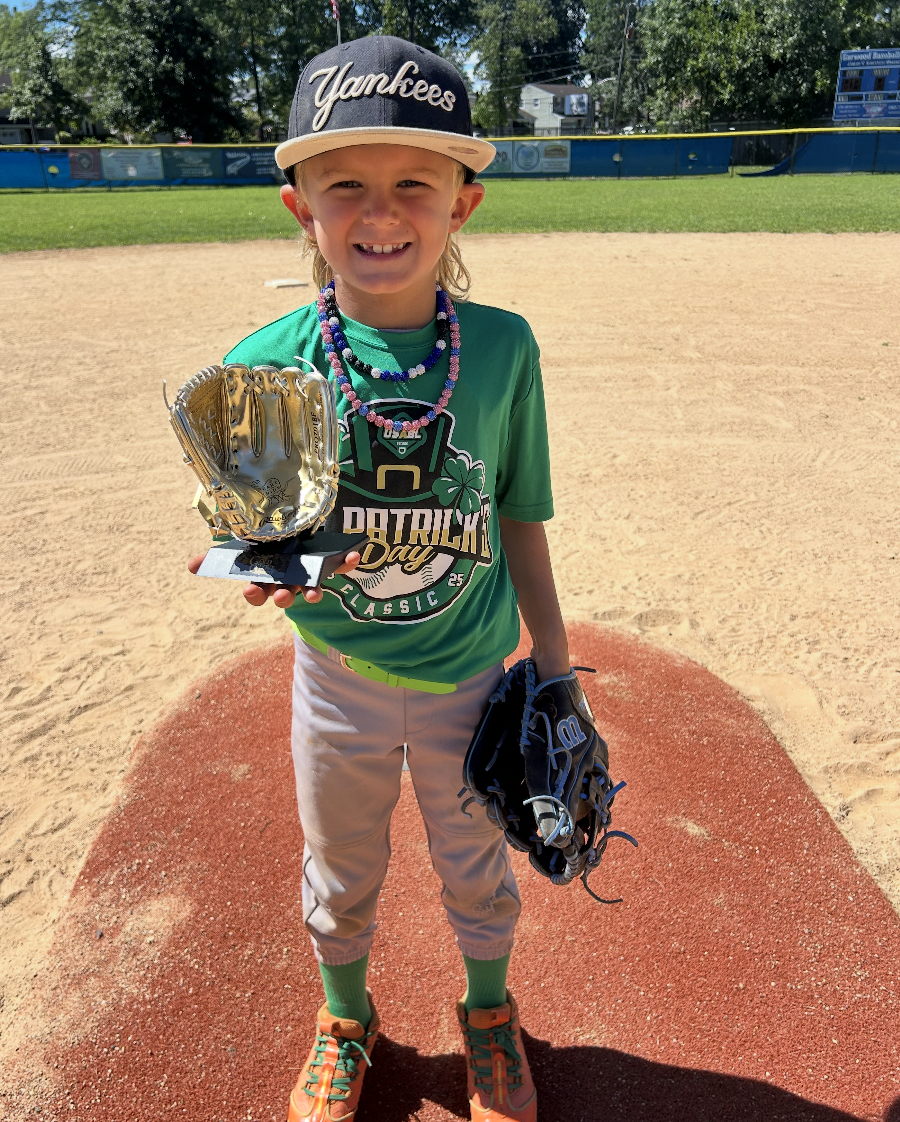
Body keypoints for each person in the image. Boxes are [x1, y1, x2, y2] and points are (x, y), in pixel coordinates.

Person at [190, 35, 570, 1122]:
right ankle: (343, 1018)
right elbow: (268, 544)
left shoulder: (502, 350)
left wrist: (555, 670)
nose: (381, 210)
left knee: (477, 866)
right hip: (340, 681)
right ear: (298, 206)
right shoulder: (266, 363)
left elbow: (520, 516)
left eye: (416, 182)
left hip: (472, 678)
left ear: (466, 204)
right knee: (340, 870)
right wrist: (263, 566)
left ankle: (488, 1011)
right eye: (343, 183)